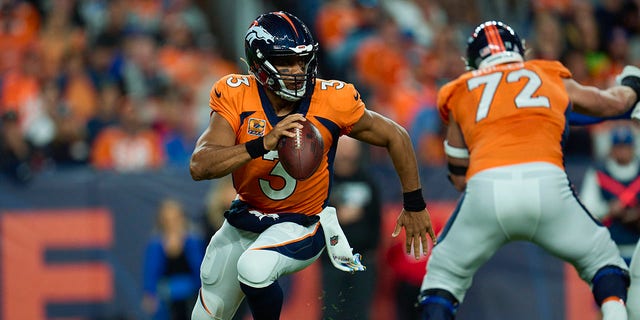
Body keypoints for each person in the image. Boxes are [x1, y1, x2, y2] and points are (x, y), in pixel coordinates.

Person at [189, 11, 436, 320]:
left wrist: (414, 204)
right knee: (205, 312)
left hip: (302, 221)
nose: (296, 70)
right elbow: (200, 166)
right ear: (258, 63)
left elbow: (396, 136)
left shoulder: (332, 99)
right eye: (285, 62)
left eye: (302, 61)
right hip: (246, 216)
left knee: (254, 268)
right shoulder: (237, 93)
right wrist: (262, 143)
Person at [417, 20, 640, 320]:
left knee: (442, 277)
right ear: (520, 51)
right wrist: (632, 86)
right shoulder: (547, 73)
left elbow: (459, 178)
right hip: (548, 183)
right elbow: (610, 104)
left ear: (473, 61)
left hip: (487, 187)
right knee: (603, 260)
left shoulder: (460, 90)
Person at [320, 136, 381, 320]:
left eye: (350, 147)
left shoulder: (368, 181)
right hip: (331, 260)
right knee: (331, 310)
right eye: (343, 147)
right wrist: (339, 215)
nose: (347, 152)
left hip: (361, 259)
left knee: (359, 312)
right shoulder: (324, 182)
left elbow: (376, 219)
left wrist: (371, 252)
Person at [580, 124, 640, 264]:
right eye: (619, 147)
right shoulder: (599, 173)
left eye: (626, 147)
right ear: (612, 149)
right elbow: (588, 209)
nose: (623, 151)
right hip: (610, 249)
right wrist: (609, 209)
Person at [142, 198, 205, 320]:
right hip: (165, 297)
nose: (172, 223)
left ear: (182, 218)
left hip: (191, 294)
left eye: (175, 219)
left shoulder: (193, 240)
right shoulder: (155, 244)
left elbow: (200, 269)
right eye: (167, 220)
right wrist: (150, 295)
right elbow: (150, 273)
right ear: (161, 221)